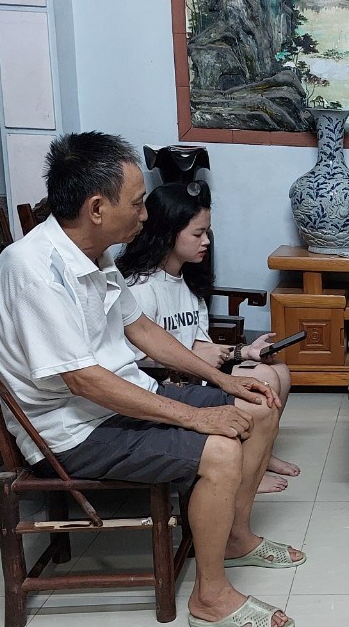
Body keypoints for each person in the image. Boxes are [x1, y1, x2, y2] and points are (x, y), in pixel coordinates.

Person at [0, 132, 305, 627]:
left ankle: (234, 537)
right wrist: (197, 416)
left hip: (120, 401)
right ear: (97, 208)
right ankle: (210, 598)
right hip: (71, 431)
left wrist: (222, 379)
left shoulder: (95, 255)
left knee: (259, 403)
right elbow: (83, 380)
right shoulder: (33, 269)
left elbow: (140, 329)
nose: (145, 215)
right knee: (220, 448)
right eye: (137, 203)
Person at [116, 181, 299, 494]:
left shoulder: (185, 280)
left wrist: (245, 352)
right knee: (266, 379)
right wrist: (219, 359)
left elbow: (199, 344)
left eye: (207, 232)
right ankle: (246, 472)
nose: (206, 241)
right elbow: (139, 360)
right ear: (168, 233)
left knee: (279, 370)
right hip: (169, 383)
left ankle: (260, 454)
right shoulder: (142, 289)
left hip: (195, 372)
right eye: (197, 234)